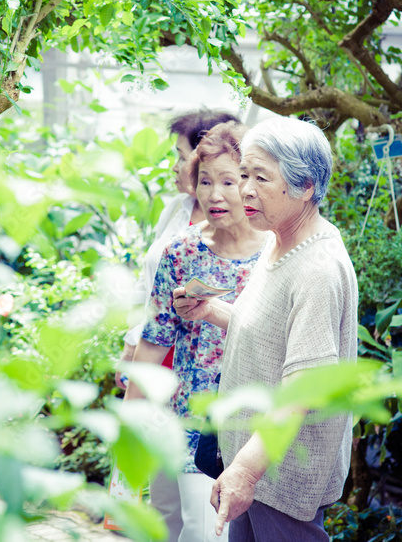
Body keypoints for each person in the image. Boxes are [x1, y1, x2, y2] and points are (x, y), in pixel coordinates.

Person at [172, 116, 358, 542]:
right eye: (244, 175)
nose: (245, 190)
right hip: (255, 465)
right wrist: (211, 310)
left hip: (280, 473)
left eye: (261, 177)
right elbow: (273, 333)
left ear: (305, 186)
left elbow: (303, 389)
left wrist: (243, 472)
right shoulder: (279, 240)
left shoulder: (317, 268)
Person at [123, 122, 265, 542]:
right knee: (161, 525)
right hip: (177, 412)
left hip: (237, 426)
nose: (214, 194)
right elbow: (156, 337)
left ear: (251, 185)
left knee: (205, 533)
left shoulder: (275, 255)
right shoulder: (181, 250)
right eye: (205, 181)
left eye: (228, 181)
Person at [116, 108, 241, 388]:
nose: (175, 166)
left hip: (204, 364)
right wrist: (131, 342)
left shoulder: (247, 228)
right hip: (155, 347)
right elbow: (147, 281)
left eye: (182, 157)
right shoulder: (176, 209)